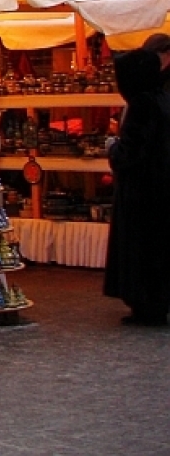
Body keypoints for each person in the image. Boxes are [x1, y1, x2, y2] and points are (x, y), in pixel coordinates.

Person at [104, 32, 170, 326]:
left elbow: (131, 150)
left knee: (142, 250)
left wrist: (113, 150)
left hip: (142, 191)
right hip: (159, 187)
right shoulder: (161, 97)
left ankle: (147, 304)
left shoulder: (144, 103)